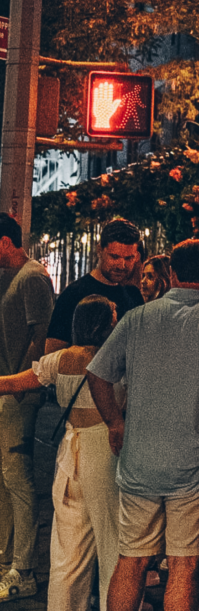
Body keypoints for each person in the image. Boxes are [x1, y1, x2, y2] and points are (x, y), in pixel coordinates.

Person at [86, 238, 199, 611]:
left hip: (139, 462)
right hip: (197, 464)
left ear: (173, 274)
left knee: (131, 560)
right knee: (184, 566)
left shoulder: (136, 318)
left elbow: (97, 373)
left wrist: (115, 422)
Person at [0, 296, 121, 610]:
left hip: (69, 457)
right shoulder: (115, 361)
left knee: (67, 552)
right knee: (113, 547)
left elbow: (13, 384)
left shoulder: (59, 360)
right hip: (105, 453)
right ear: (104, 324)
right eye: (114, 316)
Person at [0, 213, 54, 603]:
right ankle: (7, 561)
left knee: (17, 478)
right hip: (7, 388)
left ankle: (25, 568)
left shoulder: (32, 277)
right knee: (6, 477)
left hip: (18, 391)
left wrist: (19, 386)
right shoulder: (12, 277)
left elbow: (42, 335)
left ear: (5, 242)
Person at [46, 219, 144, 355]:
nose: (121, 265)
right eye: (114, 257)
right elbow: (52, 354)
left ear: (137, 256)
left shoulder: (134, 295)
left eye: (128, 258)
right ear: (100, 250)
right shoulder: (74, 294)